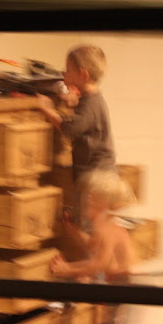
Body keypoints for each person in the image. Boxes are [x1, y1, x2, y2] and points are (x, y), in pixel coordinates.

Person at [36, 45, 117, 228]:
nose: (63, 73)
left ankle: (87, 246)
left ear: (83, 75)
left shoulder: (91, 104)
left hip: (95, 176)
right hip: (99, 172)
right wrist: (71, 100)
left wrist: (46, 109)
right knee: (90, 223)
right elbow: (84, 117)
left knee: (88, 226)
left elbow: (70, 128)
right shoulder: (92, 99)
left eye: (68, 70)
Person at [49, 168, 137, 284]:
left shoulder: (108, 229)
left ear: (106, 207)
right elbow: (92, 245)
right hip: (114, 278)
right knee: (84, 278)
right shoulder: (104, 225)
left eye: (93, 204)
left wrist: (68, 270)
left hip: (121, 283)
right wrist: (73, 230)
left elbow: (98, 265)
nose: (87, 201)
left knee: (82, 280)